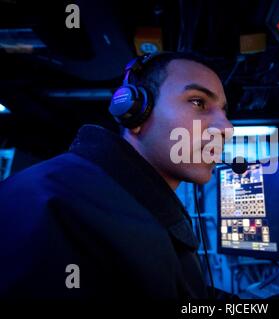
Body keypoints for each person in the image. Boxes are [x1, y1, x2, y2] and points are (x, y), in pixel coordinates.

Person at [0, 52, 233, 299]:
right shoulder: (61, 208)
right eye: (198, 102)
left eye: (225, 112)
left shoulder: (125, 204)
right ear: (134, 112)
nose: (227, 128)